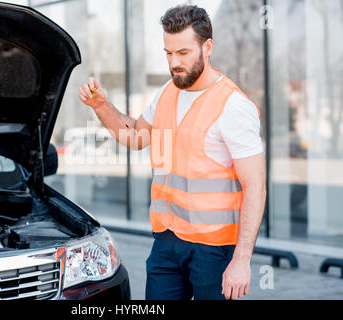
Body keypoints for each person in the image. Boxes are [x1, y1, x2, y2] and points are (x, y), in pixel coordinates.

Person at [78, 4, 266, 300]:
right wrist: (101, 106)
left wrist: (241, 261)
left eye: (183, 53)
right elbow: (135, 137)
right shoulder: (166, 93)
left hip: (214, 250)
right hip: (166, 242)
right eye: (168, 53)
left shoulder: (233, 106)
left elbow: (255, 186)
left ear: (207, 47)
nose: (174, 63)